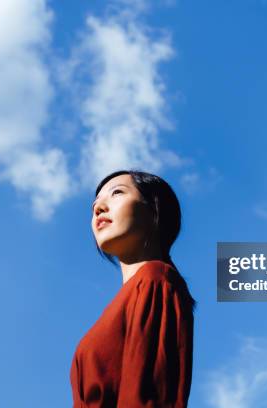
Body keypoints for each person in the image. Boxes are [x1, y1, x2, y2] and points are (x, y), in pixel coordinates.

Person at [70, 169, 197, 407]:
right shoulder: (126, 299)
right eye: (94, 205)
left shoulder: (156, 280)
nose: (99, 208)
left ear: (154, 210)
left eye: (117, 193)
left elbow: (147, 396)